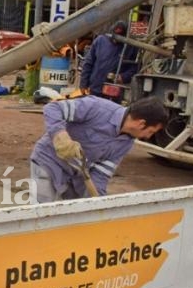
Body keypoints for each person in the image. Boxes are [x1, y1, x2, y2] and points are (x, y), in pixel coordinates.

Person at [29, 95, 168, 203]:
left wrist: (98, 203)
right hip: (48, 163)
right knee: (42, 214)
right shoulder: (96, 107)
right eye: (150, 131)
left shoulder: (126, 143)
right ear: (141, 123)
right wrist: (60, 135)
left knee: (72, 217)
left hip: (75, 175)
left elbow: (101, 174)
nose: (148, 136)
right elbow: (52, 108)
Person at [79, 21, 138, 101]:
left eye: (120, 36)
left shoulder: (130, 47)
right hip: (95, 88)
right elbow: (88, 63)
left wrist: (123, 77)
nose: (116, 40)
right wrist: (83, 84)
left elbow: (135, 67)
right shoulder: (100, 41)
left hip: (114, 92)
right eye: (115, 36)